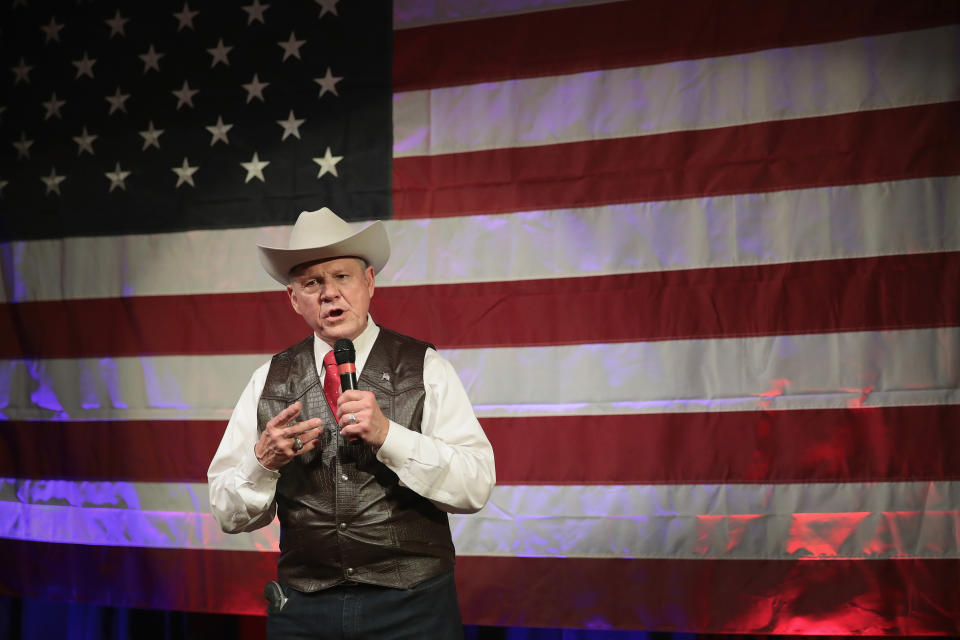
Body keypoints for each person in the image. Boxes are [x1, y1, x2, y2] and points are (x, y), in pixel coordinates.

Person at [208, 207, 496, 639]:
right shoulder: (267, 381)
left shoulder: (426, 368)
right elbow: (228, 515)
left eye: (342, 277)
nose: (328, 293)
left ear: (369, 283)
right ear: (293, 299)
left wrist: (389, 435)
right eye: (312, 283)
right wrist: (261, 462)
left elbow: (474, 487)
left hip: (412, 609)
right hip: (304, 612)